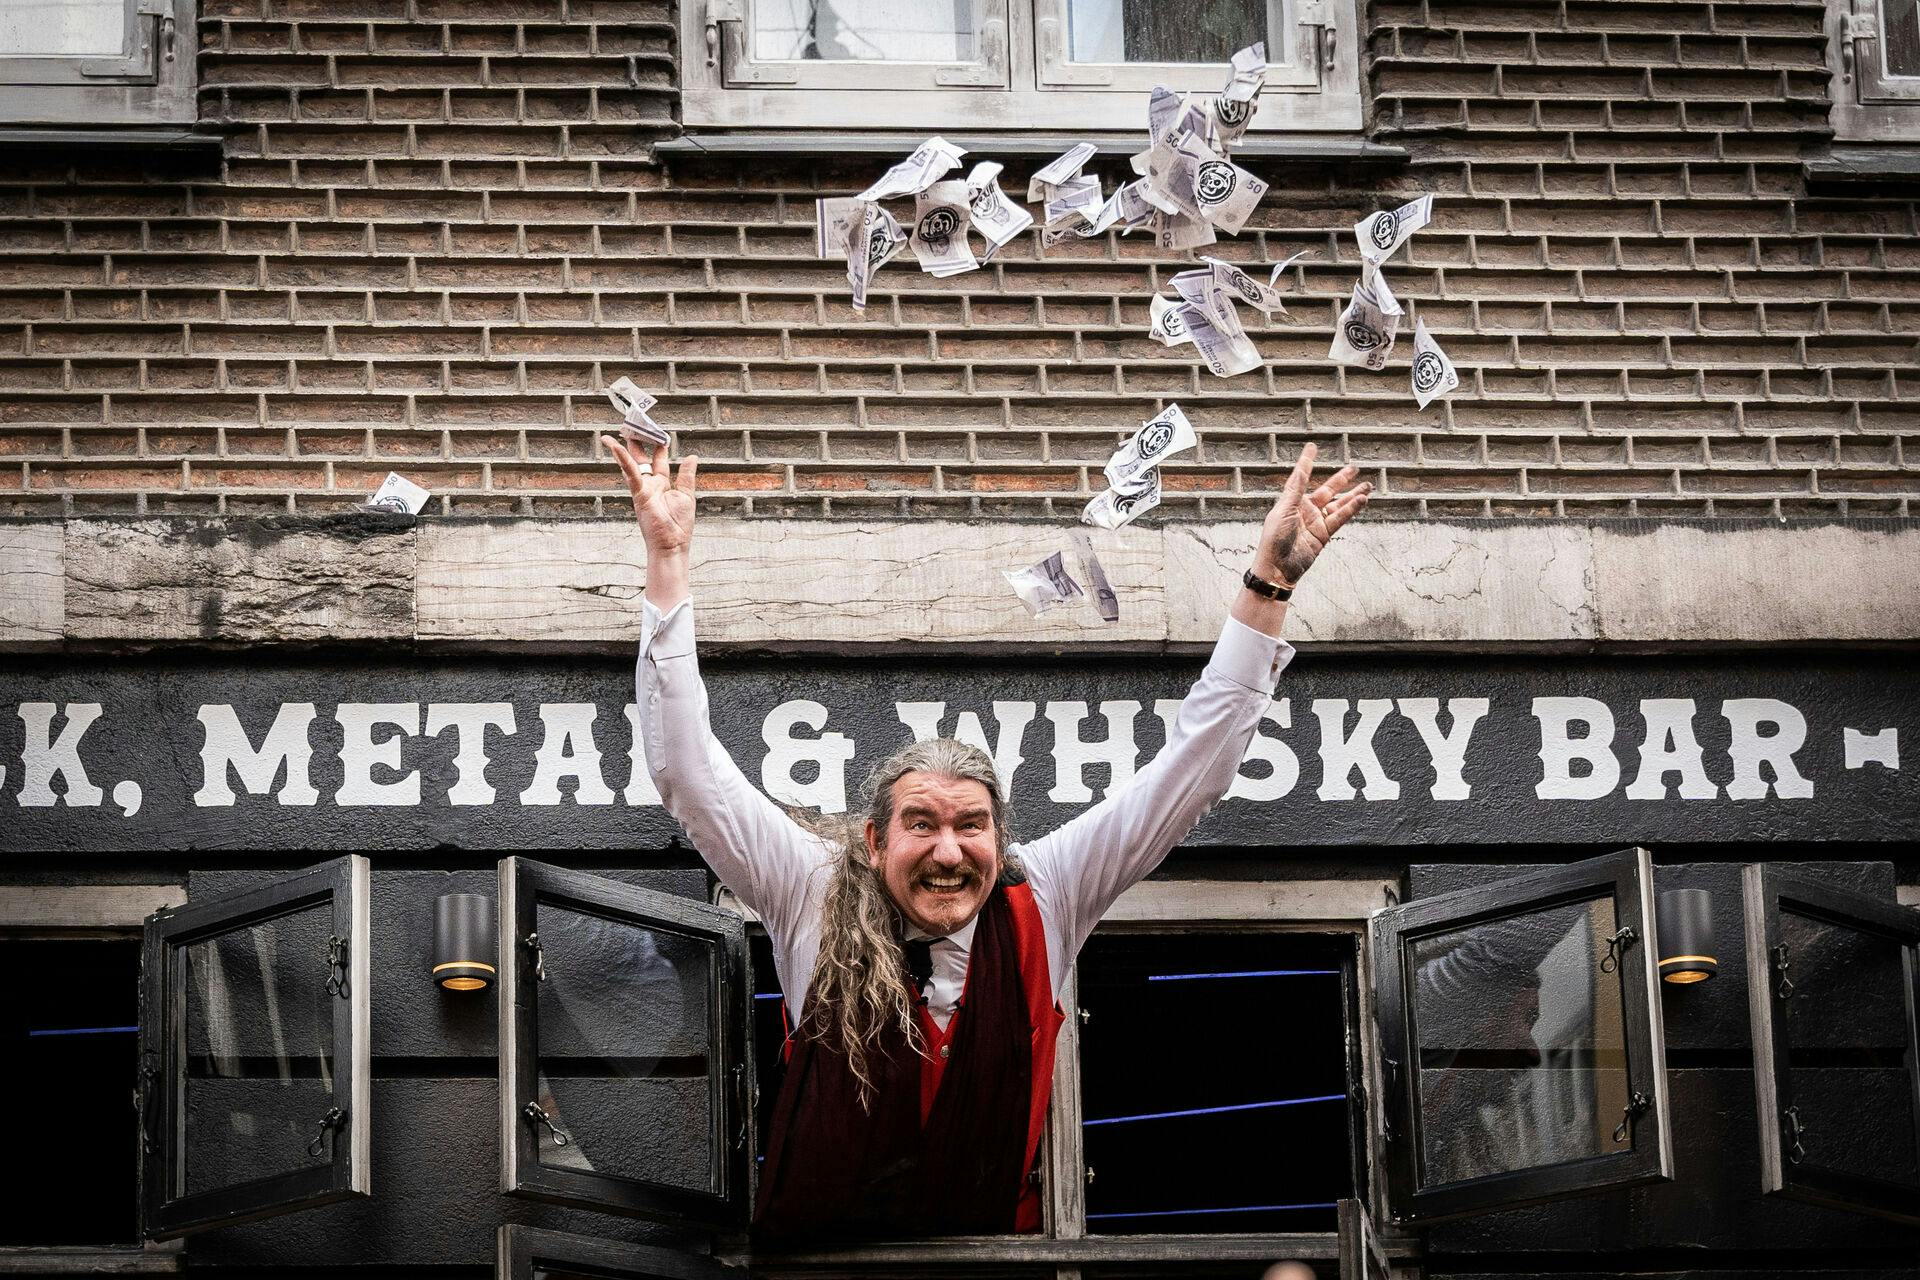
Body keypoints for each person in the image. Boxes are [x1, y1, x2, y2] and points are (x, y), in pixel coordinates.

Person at [606, 432, 1370, 1238]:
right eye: (922, 825)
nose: (948, 852)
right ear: (873, 842)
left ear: (1000, 839)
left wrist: (1269, 584)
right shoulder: (811, 889)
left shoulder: (1045, 892)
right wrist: (666, 564)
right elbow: (688, 771)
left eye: (972, 826)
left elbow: (1190, 774)